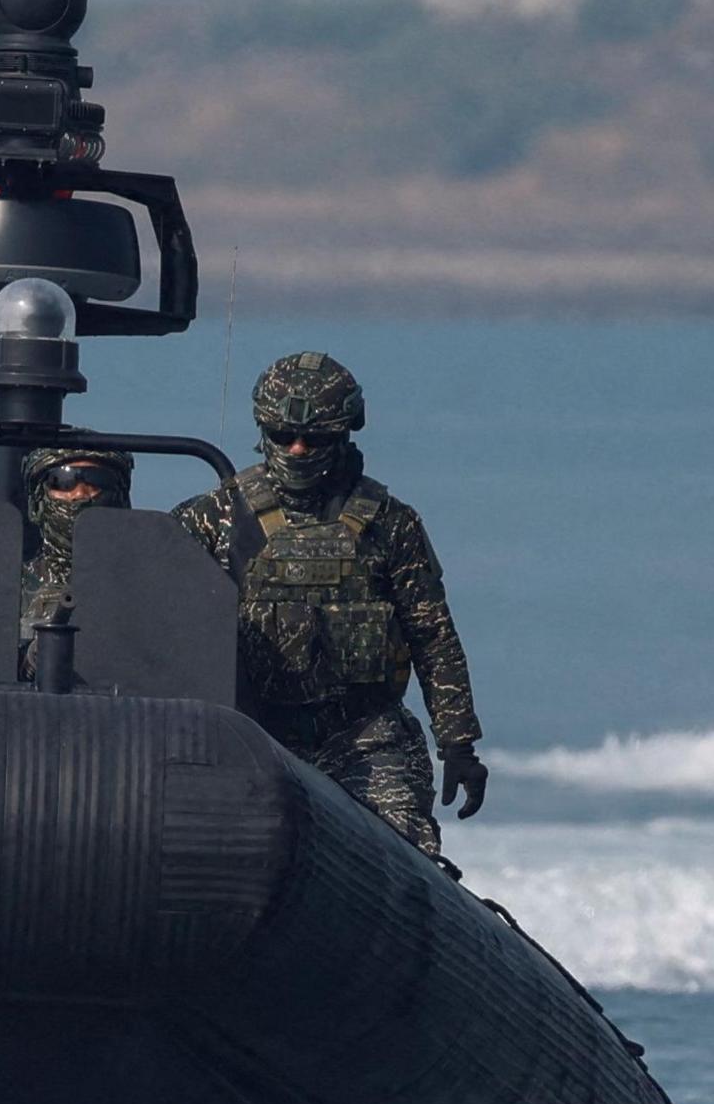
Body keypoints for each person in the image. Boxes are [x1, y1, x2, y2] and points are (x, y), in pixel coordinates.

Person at [172, 352, 486, 856]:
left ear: (344, 436)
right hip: (256, 736)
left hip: (364, 736)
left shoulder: (389, 525)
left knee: (404, 856)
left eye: (314, 440)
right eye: (283, 436)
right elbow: (158, 623)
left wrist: (458, 743)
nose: (297, 450)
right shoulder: (214, 520)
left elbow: (433, 637)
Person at [19, 444, 132, 679]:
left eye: (96, 480)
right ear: (38, 501)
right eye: (63, 481)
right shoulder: (4, 586)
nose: (80, 494)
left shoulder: (148, 583)